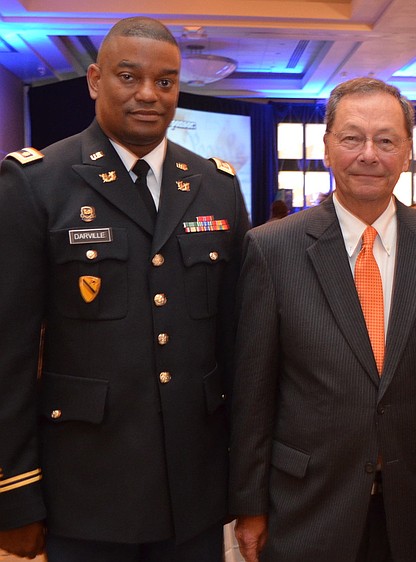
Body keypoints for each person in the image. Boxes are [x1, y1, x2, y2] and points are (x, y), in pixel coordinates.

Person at [0, 16, 249, 561]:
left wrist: (245, 481)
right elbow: (9, 354)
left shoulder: (217, 187)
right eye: (128, 77)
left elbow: (238, 347)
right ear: (94, 80)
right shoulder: (37, 183)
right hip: (85, 488)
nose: (148, 95)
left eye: (165, 82)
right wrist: (15, 492)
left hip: (194, 489)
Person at [228, 77, 416, 562]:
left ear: (407, 153)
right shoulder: (273, 248)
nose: (369, 154)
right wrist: (249, 503)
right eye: (352, 137)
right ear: (326, 146)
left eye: (386, 141)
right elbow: (254, 392)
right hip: (307, 501)